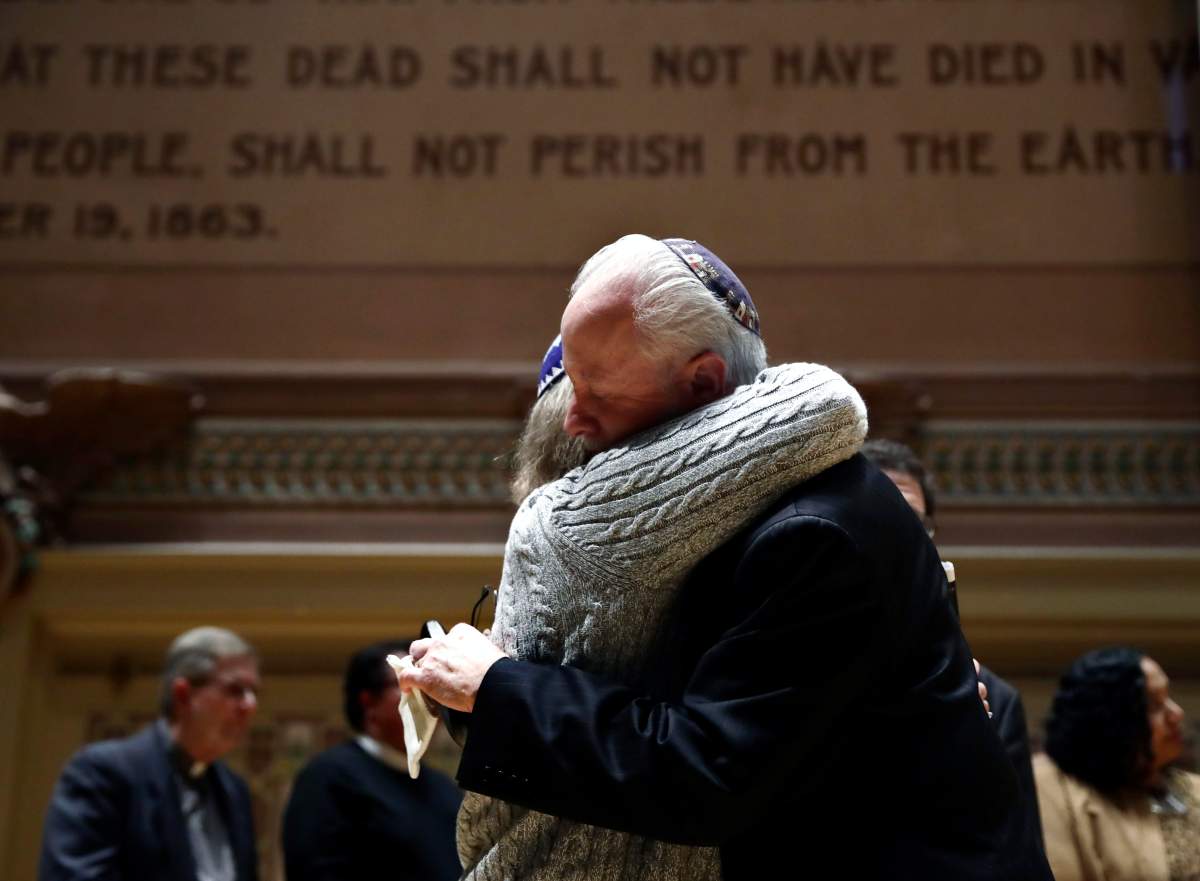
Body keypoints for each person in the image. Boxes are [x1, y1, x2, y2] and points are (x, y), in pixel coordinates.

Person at [403, 234, 1054, 879]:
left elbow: (707, 770)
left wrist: (497, 687)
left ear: (705, 381)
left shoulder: (816, 531)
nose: (573, 420)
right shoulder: (725, 509)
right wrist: (475, 692)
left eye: (597, 392)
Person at [861, 438, 1047, 865]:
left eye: (916, 524)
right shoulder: (798, 674)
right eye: (885, 520)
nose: (903, 540)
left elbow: (1018, 852)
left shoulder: (996, 697)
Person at [39, 626, 260, 881]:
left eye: (254, 693)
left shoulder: (235, 790)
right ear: (183, 695)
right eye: (235, 690)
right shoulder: (103, 772)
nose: (250, 706)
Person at [281, 639, 462, 881]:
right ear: (368, 702)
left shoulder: (443, 788)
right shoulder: (329, 776)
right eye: (410, 683)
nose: (429, 697)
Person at [1035, 647, 1199, 880]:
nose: (1176, 714)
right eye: (1153, 705)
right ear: (1111, 722)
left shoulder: (1191, 786)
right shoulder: (1053, 787)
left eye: (1167, 698)